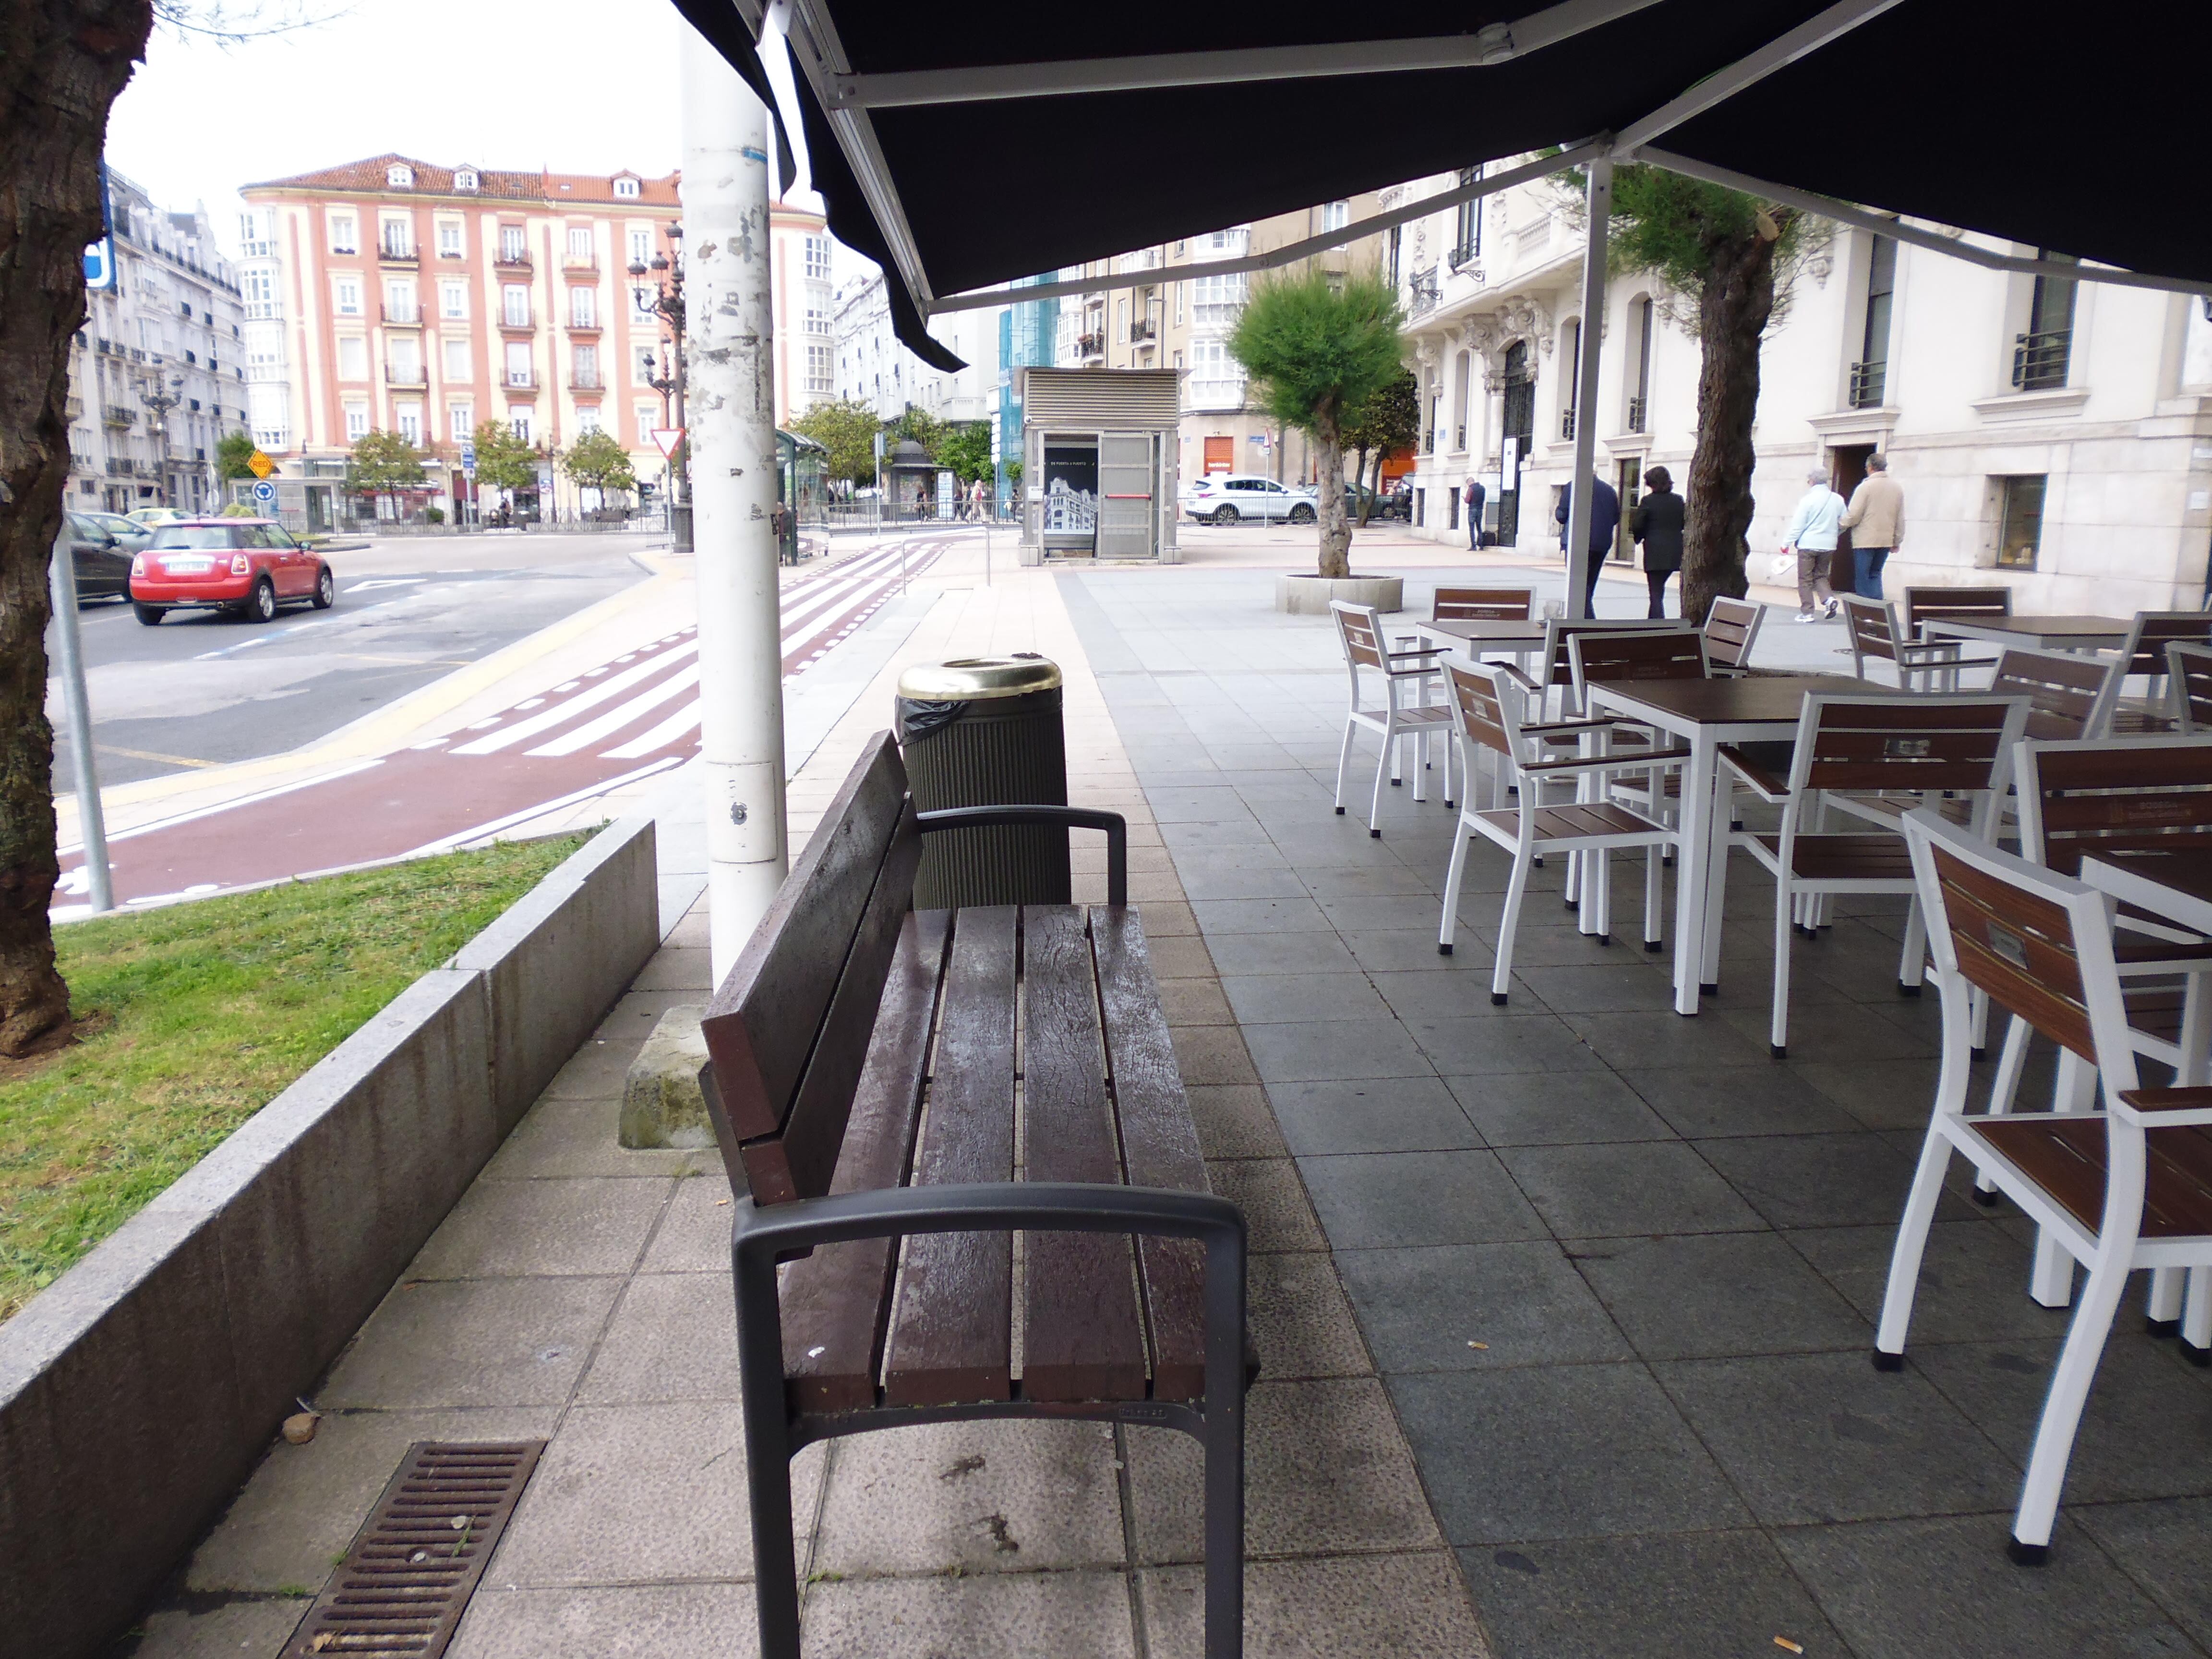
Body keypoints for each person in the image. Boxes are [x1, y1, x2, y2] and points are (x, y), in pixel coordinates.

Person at [1782, 467, 1846, 622]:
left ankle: (1807, 613)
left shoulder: (1807, 500)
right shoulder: (1837, 499)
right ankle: (1829, 599)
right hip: (1829, 545)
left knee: (1805, 579)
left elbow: (1798, 526)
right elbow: (1845, 522)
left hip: (1808, 544)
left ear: (1812, 481)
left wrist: (1786, 543)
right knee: (1821, 575)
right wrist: (1834, 534)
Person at [1839, 452, 1905, 599]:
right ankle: (1879, 610)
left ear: (1870, 467)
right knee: (1876, 574)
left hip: (1865, 539)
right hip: (1886, 540)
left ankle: (1866, 612)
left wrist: (1840, 525)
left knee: (1863, 577)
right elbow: (1900, 518)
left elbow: (1854, 514)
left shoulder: (1865, 487)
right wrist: (1897, 540)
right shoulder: (1897, 488)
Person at [1554, 471, 1621, 614]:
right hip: (1601, 544)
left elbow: (1561, 515)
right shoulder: (1609, 490)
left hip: (1577, 543)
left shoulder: (1572, 487)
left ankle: (1588, 622)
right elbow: (1616, 517)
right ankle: (1584, 618)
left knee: (1579, 586)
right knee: (1589, 584)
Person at [1629, 466, 1684, 619]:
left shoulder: (1648, 501)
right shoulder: (1678, 500)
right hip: (1675, 550)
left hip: (1655, 551)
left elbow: (1638, 525)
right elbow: (1684, 522)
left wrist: (1639, 537)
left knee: (1656, 592)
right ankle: (1653, 621)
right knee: (1658, 590)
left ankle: (1657, 624)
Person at [1461, 473, 1486, 551]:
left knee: (1472, 528)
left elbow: (1468, 500)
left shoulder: (1471, 489)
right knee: (1479, 527)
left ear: (1470, 482)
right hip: (1480, 509)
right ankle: (1481, 545)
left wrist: (1464, 499)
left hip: (1472, 509)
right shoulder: (1483, 488)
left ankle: (1474, 546)